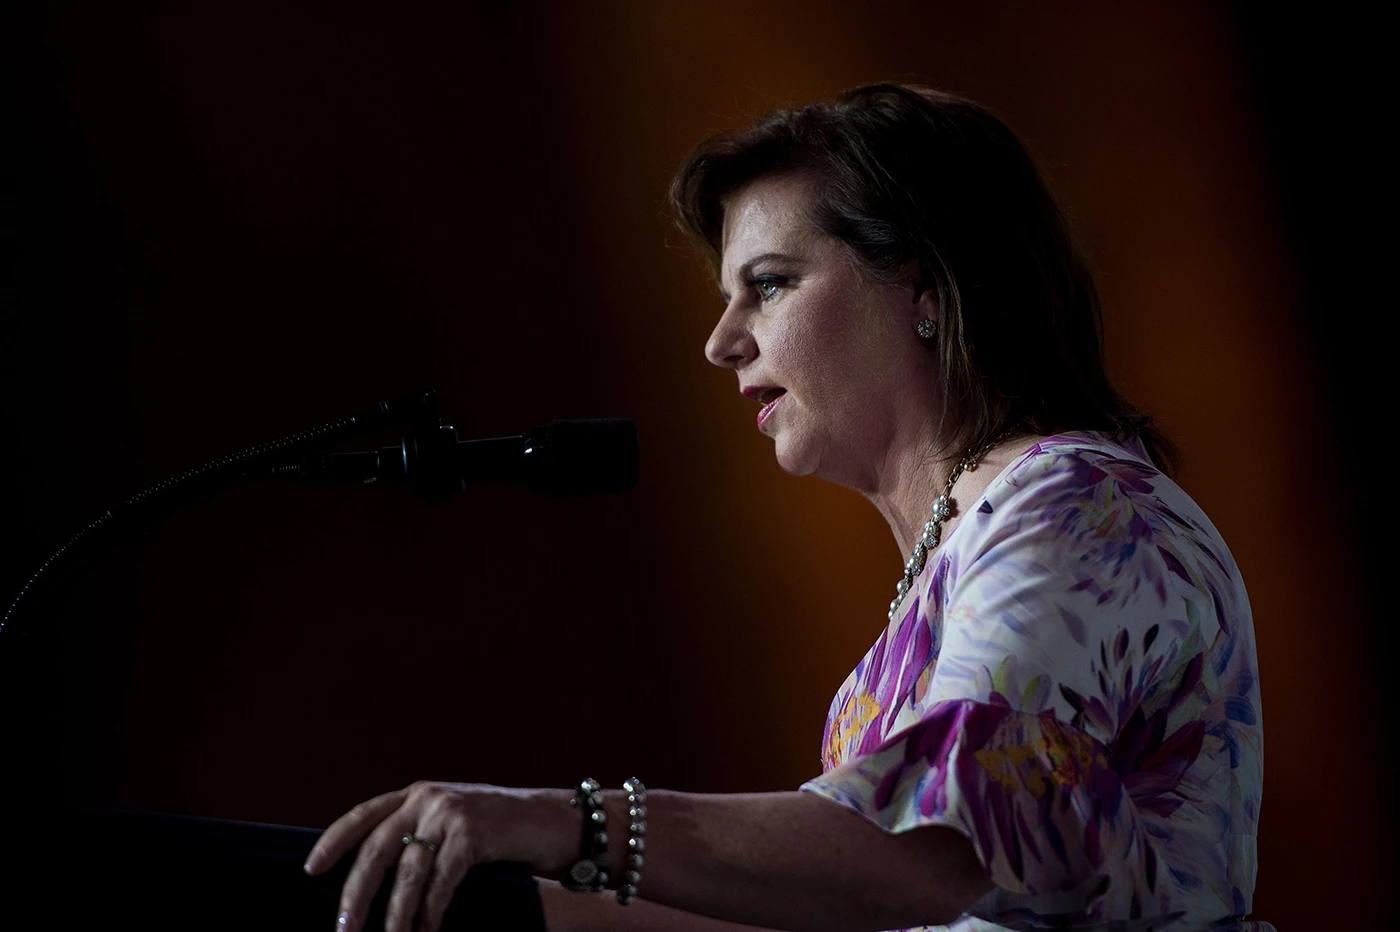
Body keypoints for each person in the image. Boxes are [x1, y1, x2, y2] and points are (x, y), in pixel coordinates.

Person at [302, 85, 1272, 932]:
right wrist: (494, 893)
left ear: (923, 287)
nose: (720, 342)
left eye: (767, 285)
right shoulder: (970, 541)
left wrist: (571, 819)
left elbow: (929, 853)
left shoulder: (1074, 507)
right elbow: (836, 901)